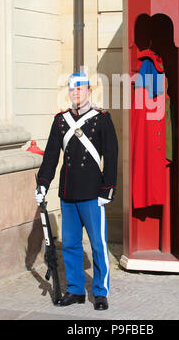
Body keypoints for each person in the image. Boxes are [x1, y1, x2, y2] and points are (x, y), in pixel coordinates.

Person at [35, 72, 118, 311]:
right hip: (68, 192)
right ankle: (75, 290)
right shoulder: (61, 121)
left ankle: (100, 293)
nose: (76, 93)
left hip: (93, 193)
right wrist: (42, 184)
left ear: (89, 91)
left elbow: (111, 157)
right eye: (72, 90)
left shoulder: (102, 119)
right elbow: (51, 156)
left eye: (80, 89)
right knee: (70, 244)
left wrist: (108, 189)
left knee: (98, 245)